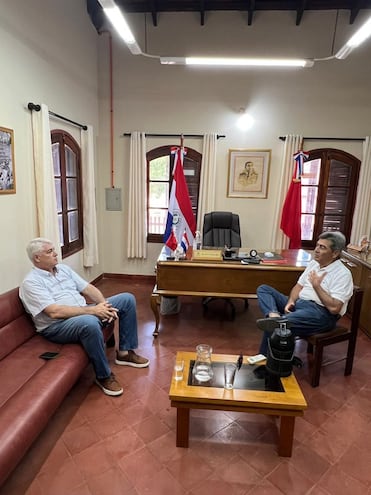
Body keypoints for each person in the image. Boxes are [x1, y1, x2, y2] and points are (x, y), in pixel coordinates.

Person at [19, 238, 149, 397]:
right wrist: (93, 311)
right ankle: (104, 376)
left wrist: (103, 305)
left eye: (54, 249)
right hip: (57, 326)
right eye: (49, 251)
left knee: (127, 299)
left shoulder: (63, 269)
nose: (55, 254)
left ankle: (124, 354)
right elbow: (54, 312)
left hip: (84, 311)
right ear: (37, 258)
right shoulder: (31, 283)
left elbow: (88, 288)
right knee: (89, 323)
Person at [256, 231, 353, 355]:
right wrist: (291, 301)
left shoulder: (343, 274)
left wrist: (317, 286)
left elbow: (334, 308)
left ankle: (266, 364)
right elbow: (298, 286)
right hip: (299, 304)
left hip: (321, 314)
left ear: (335, 253)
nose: (316, 250)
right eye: (317, 245)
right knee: (264, 289)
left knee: (277, 326)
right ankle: (274, 315)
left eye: (322, 247)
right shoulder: (314, 264)